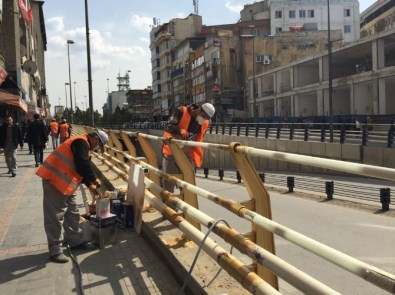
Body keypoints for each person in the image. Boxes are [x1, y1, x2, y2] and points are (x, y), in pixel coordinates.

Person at [36, 130, 109, 263]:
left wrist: (90, 183)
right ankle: (55, 251)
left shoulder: (84, 145)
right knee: (55, 217)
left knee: (73, 213)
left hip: (67, 184)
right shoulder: (81, 142)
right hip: (54, 182)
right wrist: (93, 180)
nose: (97, 148)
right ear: (96, 139)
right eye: (99, 145)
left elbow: (80, 168)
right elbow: (83, 164)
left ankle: (76, 241)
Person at [162, 102, 215, 193]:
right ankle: (168, 203)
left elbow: (199, 136)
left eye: (207, 118)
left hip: (187, 150)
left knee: (188, 177)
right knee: (169, 178)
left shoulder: (204, 122)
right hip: (171, 149)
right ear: (200, 110)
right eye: (204, 116)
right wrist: (179, 130)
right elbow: (167, 126)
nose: (205, 119)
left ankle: (187, 201)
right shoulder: (181, 111)